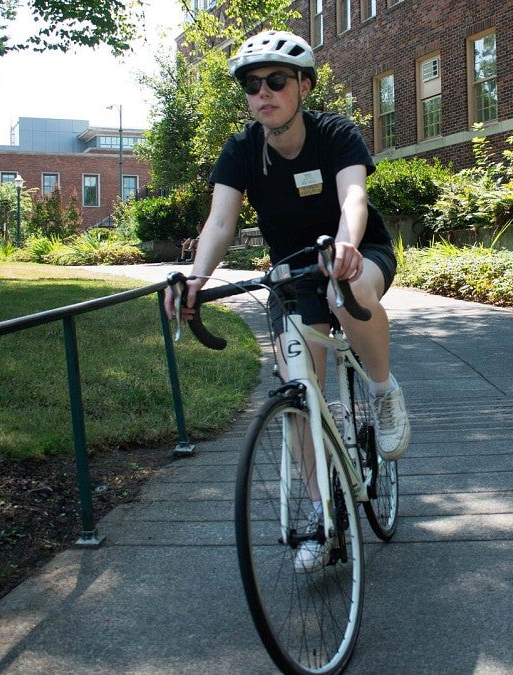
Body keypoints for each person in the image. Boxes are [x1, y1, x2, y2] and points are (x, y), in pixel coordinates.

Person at [166, 30, 410, 571]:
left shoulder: (335, 134)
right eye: (253, 86)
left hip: (356, 253)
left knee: (344, 290)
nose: (264, 94)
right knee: (299, 394)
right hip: (290, 273)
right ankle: (324, 521)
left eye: (276, 81)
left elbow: (354, 195)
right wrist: (197, 276)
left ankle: (382, 389)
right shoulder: (242, 150)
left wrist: (346, 246)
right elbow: (221, 220)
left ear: (303, 84)